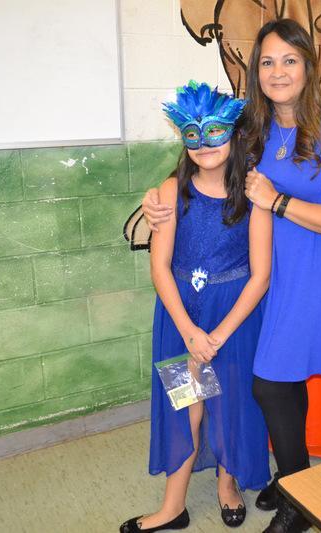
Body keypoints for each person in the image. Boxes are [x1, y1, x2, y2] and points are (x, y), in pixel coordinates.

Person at [142, 19, 321, 533]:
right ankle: (291, 477)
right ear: (255, 70)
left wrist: (280, 202)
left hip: (304, 274)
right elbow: (202, 163)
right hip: (252, 274)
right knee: (274, 381)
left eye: (290, 60)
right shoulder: (253, 126)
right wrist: (155, 198)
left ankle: (298, 499)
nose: (278, 71)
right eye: (267, 61)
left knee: (268, 383)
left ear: (309, 66)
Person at [120, 81, 272, 533]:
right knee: (187, 404)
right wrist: (189, 331)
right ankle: (173, 506)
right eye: (193, 134)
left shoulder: (254, 194)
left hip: (235, 317)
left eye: (214, 133)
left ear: (234, 134)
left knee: (231, 402)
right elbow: (160, 267)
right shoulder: (171, 191)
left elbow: (261, 275)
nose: (204, 144)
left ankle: (228, 484)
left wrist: (219, 336)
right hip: (181, 314)